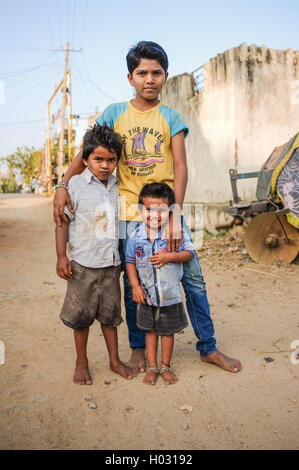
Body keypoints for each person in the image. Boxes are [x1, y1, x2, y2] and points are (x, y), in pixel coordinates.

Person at [53, 41, 242, 374]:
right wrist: (63, 184)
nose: (150, 79)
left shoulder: (171, 117)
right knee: (133, 283)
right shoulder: (114, 113)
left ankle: (208, 347)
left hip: (167, 212)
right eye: (142, 72)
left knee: (193, 280)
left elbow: (181, 167)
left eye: (157, 72)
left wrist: (175, 216)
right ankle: (139, 349)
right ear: (130, 77)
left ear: (165, 76)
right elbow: (87, 152)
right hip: (128, 215)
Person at [55, 124, 136, 385]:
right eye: (98, 159)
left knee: (110, 316)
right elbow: (63, 222)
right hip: (82, 264)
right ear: (86, 158)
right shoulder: (74, 186)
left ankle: (114, 360)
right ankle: (82, 362)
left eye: (111, 160)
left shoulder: (116, 185)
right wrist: (61, 256)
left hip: (111, 264)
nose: (105, 165)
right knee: (81, 318)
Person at [126, 183, 194, 385]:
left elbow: (189, 253)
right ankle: (153, 367)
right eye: (149, 209)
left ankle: (165, 367)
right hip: (146, 295)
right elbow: (129, 262)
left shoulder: (174, 234)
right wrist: (135, 287)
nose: (155, 215)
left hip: (169, 294)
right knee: (150, 331)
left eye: (161, 210)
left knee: (167, 332)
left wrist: (169, 257)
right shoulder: (135, 236)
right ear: (141, 210)